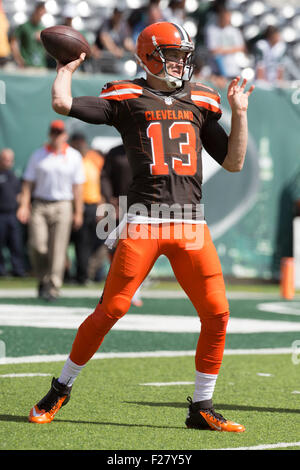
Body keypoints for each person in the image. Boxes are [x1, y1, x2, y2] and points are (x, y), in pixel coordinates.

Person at [28, 21, 254, 431]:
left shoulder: (202, 100)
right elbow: (63, 105)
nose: (182, 62)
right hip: (145, 220)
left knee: (218, 313)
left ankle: (202, 406)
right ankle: (61, 387)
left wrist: (239, 115)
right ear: (149, 55)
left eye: (185, 54)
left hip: (190, 223)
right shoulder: (127, 96)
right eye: (174, 54)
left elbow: (234, 162)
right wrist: (65, 68)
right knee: (112, 308)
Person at [17, 120, 85, 301]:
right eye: (54, 132)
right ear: (50, 134)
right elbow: (28, 183)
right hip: (40, 203)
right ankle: (42, 278)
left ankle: (53, 286)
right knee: (38, 245)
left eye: (60, 132)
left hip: (63, 204)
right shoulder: (38, 155)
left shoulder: (73, 156)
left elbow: (78, 187)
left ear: (65, 135)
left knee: (58, 247)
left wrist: (78, 211)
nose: (56, 135)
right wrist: (24, 205)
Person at [68, 132, 105, 285]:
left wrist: (101, 204)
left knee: (99, 242)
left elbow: (100, 183)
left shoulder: (94, 159)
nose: (81, 145)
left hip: (94, 205)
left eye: (82, 142)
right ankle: (82, 275)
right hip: (77, 205)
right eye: (77, 142)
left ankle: (90, 273)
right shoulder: (71, 159)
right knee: (81, 243)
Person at [0, 148, 25, 277]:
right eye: (5, 159)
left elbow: (20, 194)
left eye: (9, 160)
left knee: (16, 244)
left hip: (13, 214)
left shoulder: (14, 176)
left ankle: (18, 270)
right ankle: (2, 271)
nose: (7, 162)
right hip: (1, 214)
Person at [205, 5, 245, 79]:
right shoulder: (211, 30)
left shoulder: (234, 31)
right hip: (217, 71)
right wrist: (231, 49)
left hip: (233, 69)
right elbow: (213, 50)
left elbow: (241, 47)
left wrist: (222, 50)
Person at [10, 2, 47, 68]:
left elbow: (47, 48)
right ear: (36, 11)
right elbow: (13, 41)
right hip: (27, 64)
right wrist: (19, 59)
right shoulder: (24, 26)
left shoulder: (43, 28)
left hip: (40, 65)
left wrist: (42, 40)